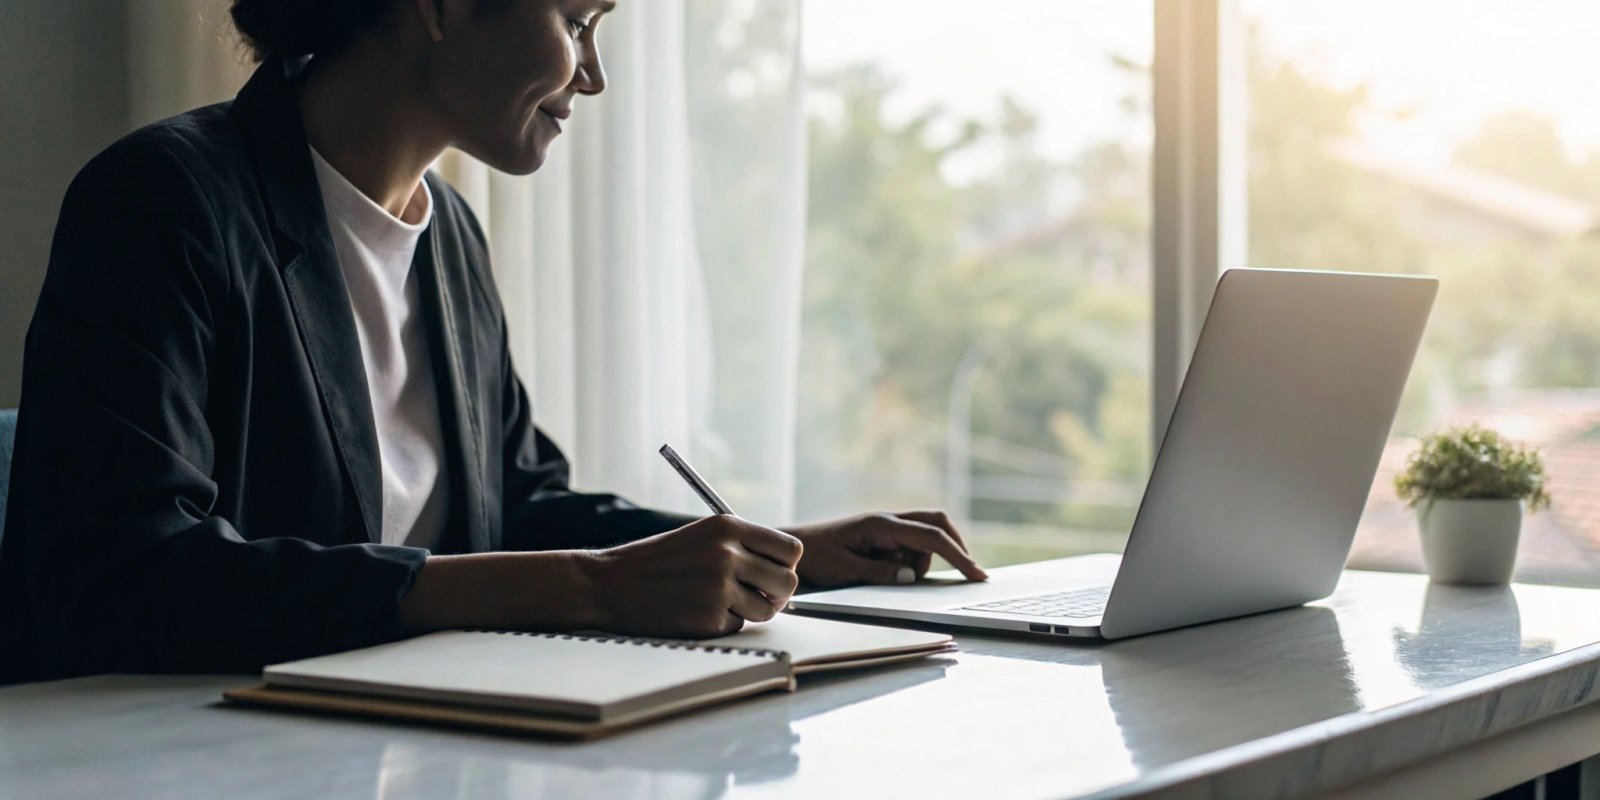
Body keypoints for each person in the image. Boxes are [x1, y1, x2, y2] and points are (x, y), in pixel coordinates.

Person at [0, 0, 987, 685]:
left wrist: (787, 551)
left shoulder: (450, 237)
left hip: (394, 745)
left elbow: (515, 506)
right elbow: (120, 576)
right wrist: (592, 589)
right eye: (575, 22)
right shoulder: (165, 201)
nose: (591, 75)